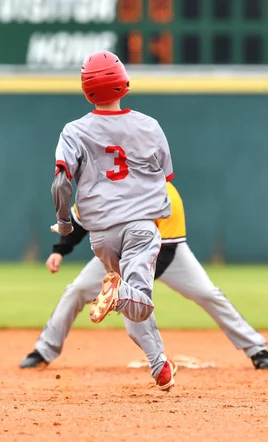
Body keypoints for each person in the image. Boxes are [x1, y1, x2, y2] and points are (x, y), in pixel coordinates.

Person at [22, 182, 268, 372]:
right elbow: (79, 222)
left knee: (206, 293)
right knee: (77, 290)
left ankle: (257, 348)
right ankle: (43, 350)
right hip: (116, 254)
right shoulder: (104, 186)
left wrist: (129, 290)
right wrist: (59, 251)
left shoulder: (165, 194)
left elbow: (164, 251)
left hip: (169, 254)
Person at [49, 50, 177, 391]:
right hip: (140, 228)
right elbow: (166, 177)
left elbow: (61, 182)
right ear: (123, 83)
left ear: (86, 88)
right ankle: (118, 294)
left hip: (100, 235)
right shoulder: (149, 126)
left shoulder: (74, 130)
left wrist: (64, 223)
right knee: (135, 300)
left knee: (133, 299)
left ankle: (159, 366)